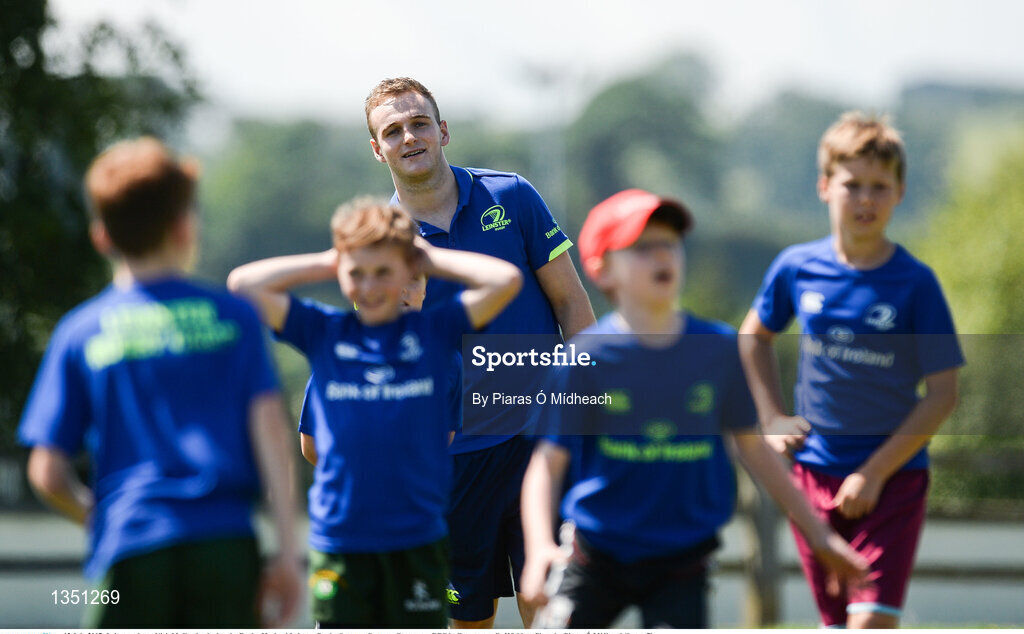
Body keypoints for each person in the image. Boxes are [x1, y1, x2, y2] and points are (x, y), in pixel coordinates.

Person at [519, 188, 868, 628]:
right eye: (643, 247)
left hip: (681, 564)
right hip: (595, 555)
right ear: (602, 268)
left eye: (670, 243)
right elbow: (546, 466)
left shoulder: (718, 351)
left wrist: (820, 538)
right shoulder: (583, 360)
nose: (663, 255)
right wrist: (537, 552)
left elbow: (755, 451)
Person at [17, 137, 302, 627]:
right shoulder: (234, 317)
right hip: (225, 548)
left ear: (101, 236)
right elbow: (272, 435)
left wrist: (104, 520)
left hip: (130, 548)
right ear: (184, 227)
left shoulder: (80, 330)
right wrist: (288, 554)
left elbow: (47, 471)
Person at [361, 76, 596, 628]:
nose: (409, 137)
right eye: (392, 131)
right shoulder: (378, 241)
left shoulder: (511, 196)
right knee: (470, 614)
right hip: (454, 457)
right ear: (378, 150)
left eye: (419, 123)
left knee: (555, 599)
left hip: (543, 439)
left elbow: (572, 304)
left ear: (442, 130)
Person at [227, 199, 522, 627]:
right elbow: (243, 285)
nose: (371, 286)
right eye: (357, 274)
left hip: (417, 541)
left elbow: (506, 279)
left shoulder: (434, 335)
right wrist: (332, 260)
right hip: (342, 540)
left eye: (385, 271)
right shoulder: (325, 332)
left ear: (409, 270)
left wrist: (425, 256)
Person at [738, 112, 964, 628]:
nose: (865, 198)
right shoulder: (797, 267)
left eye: (879, 186)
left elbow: (943, 394)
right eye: (852, 184)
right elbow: (752, 337)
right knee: (837, 623)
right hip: (812, 476)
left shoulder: (915, 283)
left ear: (900, 192)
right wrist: (772, 417)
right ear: (824, 186)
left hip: (892, 482)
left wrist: (875, 472)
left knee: (870, 622)